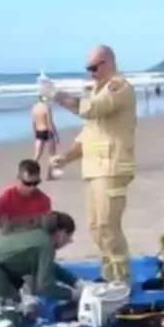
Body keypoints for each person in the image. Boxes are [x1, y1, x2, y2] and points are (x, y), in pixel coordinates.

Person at [47, 44, 137, 284]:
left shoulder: (119, 88)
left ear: (109, 63)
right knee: (96, 227)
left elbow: (91, 110)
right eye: (88, 68)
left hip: (112, 167)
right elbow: (87, 135)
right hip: (94, 170)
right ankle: (110, 275)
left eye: (95, 67)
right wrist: (66, 157)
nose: (91, 73)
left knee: (109, 226)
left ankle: (123, 278)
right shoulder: (97, 91)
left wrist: (57, 95)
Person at [0, 211, 80, 313]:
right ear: (61, 234)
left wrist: (74, 281)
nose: (67, 242)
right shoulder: (46, 244)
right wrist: (74, 295)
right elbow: (44, 287)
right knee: (19, 317)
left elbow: (49, 266)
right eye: (69, 238)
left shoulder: (33, 232)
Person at [0, 159, 53, 233]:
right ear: (18, 179)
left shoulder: (44, 200)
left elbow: (45, 230)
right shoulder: (5, 200)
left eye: (36, 183)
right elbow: (4, 230)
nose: (32, 187)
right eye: (28, 183)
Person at [30, 96, 59, 177]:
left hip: (38, 132)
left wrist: (35, 134)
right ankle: (49, 175)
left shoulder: (34, 108)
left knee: (37, 155)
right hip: (47, 131)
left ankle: (30, 171)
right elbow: (50, 123)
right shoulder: (47, 108)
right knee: (52, 155)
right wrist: (56, 136)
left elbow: (33, 123)